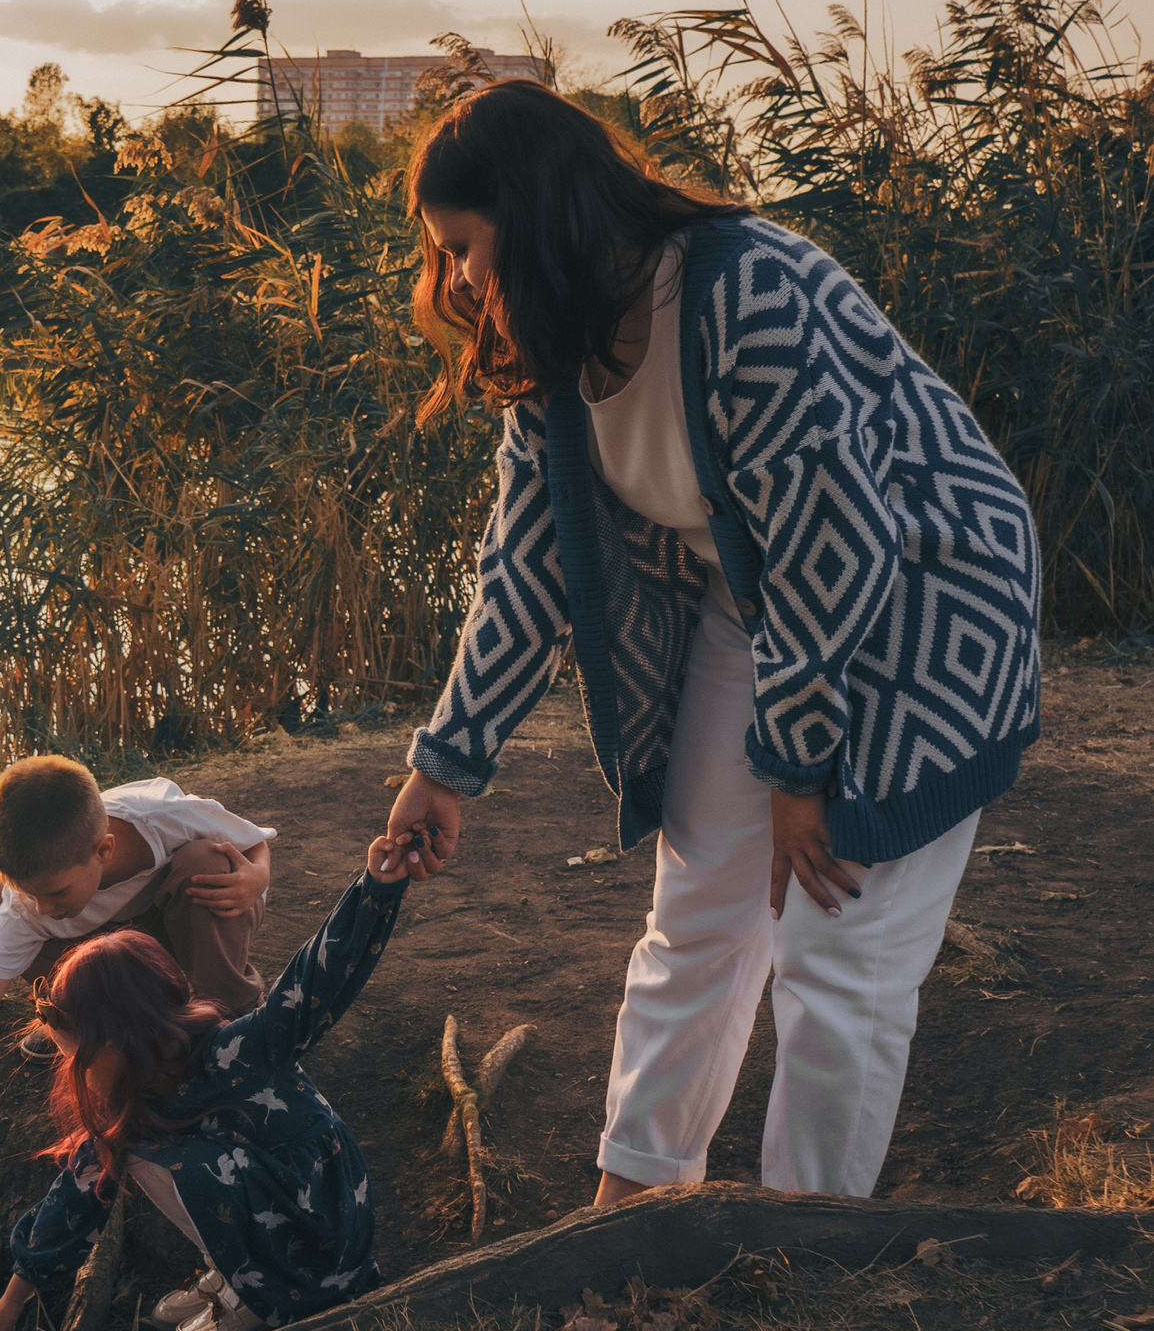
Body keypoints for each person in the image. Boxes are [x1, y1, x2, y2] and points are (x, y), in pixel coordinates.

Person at [383, 80, 1040, 1204]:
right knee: (693, 917)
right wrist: (443, 764)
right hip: (765, 613)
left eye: (465, 246)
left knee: (839, 948)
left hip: (919, 608)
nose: (457, 281)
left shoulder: (747, 290)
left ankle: (799, 1247)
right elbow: (523, 560)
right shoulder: (554, 336)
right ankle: (630, 1206)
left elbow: (837, 546)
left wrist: (795, 773)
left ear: (536, 217)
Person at [0, 835, 420, 1331]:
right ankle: (235, 1269)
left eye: (80, 1057)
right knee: (114, 1148)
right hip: (279, 1206)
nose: (76, 1072)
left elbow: (315, 979)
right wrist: (12, 1300)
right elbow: (73, 1198)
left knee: (140, 1151)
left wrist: (377, 891)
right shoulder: (138, 1083)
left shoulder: (233, 1049)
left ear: (117, 1039)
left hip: (321, 1224)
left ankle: (257, 1294)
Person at [0, 755, 276, 1247]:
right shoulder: (30, 905)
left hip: (179, 926)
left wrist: (258, 878)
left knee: (206, 861)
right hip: (112, 949)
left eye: (54, 892)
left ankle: (226, 1020)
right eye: (32, 895)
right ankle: (83, 1016)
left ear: (104, 850)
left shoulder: (160, 816)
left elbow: (252, 841)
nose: (41, 909)